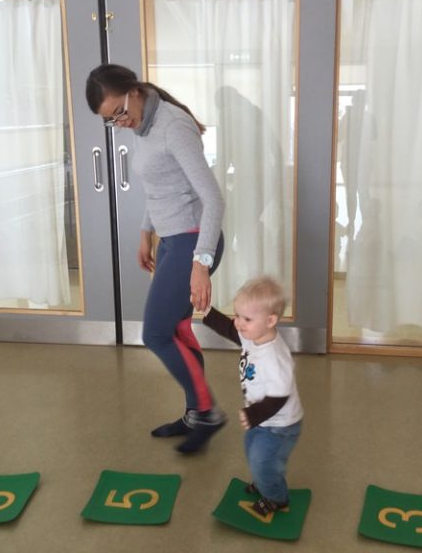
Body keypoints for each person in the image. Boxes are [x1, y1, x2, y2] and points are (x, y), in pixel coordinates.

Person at [86, 64, 226, 454]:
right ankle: (195, 412)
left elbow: (213, 200)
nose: (120, 122)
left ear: (133, 91)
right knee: (176, 329)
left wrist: (200, 263)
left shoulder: (173, 127)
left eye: (119, 112)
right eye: (110, 120)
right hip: (172, 240)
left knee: (156, 334)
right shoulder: (142, 124)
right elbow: (159, 185)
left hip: (193, 241)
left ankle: (207, 412)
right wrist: (145, 233)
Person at [202, 276, 303, 518]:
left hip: (280, 426)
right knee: (251, 450)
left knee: (263, 461)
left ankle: (276, 497)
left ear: (270, 321)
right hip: (261, 420)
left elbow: (280, 396)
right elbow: (229, 329)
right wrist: (206, 312)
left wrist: (254, 414)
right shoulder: (254, 335)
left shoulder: (274, 359)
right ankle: (264, 480)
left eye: (246, 319)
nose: (238, 323)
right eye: (238, 315)